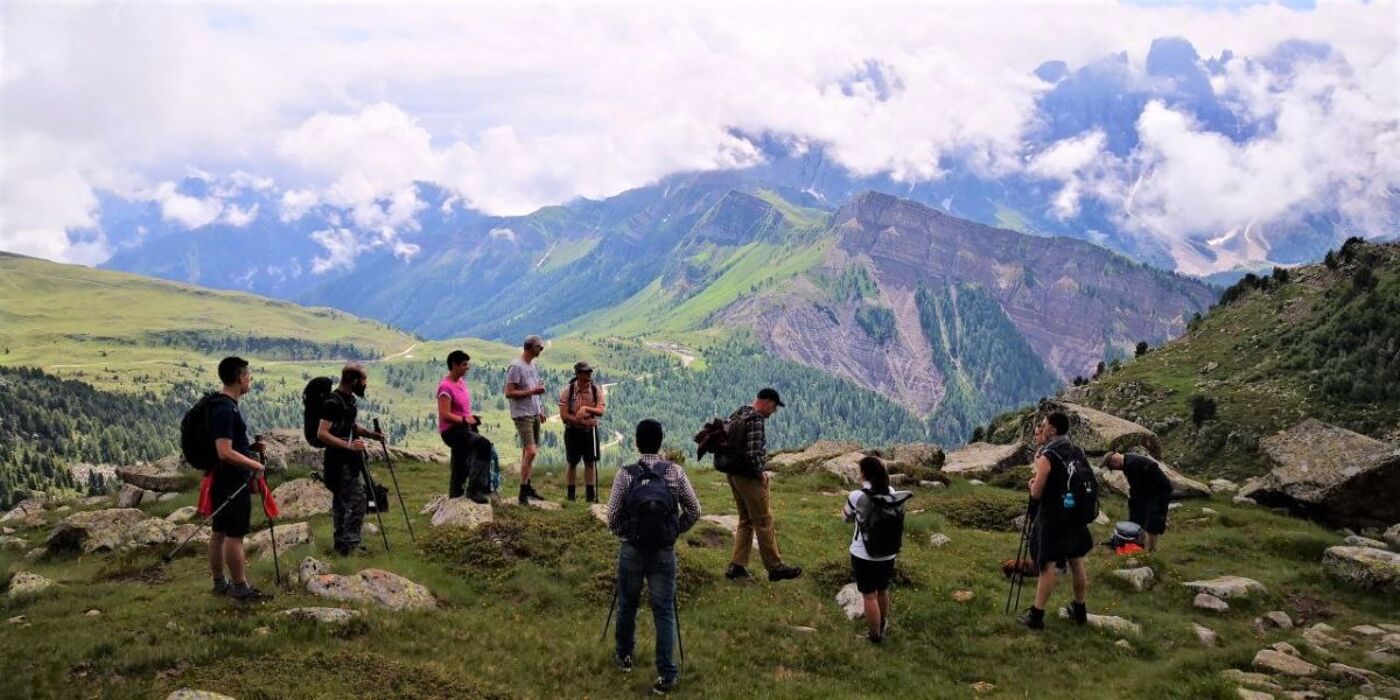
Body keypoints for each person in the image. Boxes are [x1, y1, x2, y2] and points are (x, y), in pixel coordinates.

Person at [605, 419, 702, 696]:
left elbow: (611, 516)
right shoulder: (674, 472)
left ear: (636, 442)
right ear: (661, 442)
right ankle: (667, 674)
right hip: (663, 552)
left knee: (627, 605)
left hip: (632, 551)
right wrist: (673, 532)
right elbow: (695, 510)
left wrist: (626, 534)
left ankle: (624, 656)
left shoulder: (626, 474)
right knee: (663, 611)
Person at [714, 388, 802, 582]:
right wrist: (760, 474)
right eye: (774, 407)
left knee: (745, 519)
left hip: (733, 474)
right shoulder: (756, 420)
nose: (774, 412)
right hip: (748, 477)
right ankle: (775, 568)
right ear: (768, 402)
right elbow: (754, 454)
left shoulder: (739, 412)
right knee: (763, 521)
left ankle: (737, 565)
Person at [205, 356, 272, 603]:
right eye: (248, 375)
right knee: (233, 535)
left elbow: (227, 445)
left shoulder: (221, 405)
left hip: (221, 477)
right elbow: (224, 451)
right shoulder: (226, 409)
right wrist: (255, 464)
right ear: (239, 378)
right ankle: (240, 588)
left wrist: (249, 448)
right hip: (232, 480)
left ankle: (219, 583)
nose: (250, 379)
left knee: (219, 531)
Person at [1020, 411, 1093, 631]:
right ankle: (1079, 610)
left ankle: (1036, 616)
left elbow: (1037, 493)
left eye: (1043, 425)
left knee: (1047, 565)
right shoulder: (1075, 450)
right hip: (1074, 515)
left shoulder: (1047, 456)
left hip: (1053, 518)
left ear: (1052, 429)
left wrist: (1033, 483)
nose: (1041, 428)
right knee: (1076, 560)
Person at [843, 456, 912, 644]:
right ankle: (882, 626)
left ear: (864, 473)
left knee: (869, 596)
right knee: (882, 590)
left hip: (863, 554)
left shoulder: (856, 496)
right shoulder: (890, 491)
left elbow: (846, 517)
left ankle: (874, 636)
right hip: (888, 553)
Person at [317, 363, 384, 556]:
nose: (365, 384)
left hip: (349, 460)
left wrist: (371, 435)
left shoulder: (348, 400)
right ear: (354, 381)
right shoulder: (333, 402)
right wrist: (348, 445)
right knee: (357, 501)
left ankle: (342, 545)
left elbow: (349, 425)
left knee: (341, 502)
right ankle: (351, 545)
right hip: (338, 462)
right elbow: (322, 433)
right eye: (363, 380)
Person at [438, 350, 490, 503]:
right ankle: (475, 489)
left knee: (460, 457)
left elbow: (461, 409)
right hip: (451, 431)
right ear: (454, 365)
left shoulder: (460, 382)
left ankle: (455, 492)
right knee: (483, 445)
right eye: (464, 365)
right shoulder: (445, 387)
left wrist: (471, 418)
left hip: (463, 427)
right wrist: (464, 420)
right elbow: (445, 414)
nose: (467, 367)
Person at [504, 335, 548, 505]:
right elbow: (509, 393)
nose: (541, 349)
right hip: (522, 414)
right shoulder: (516, 367)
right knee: (531, 451)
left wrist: (540, 409)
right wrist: (533, 393)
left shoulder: (532, 365)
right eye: (539, 347)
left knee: (528, 451)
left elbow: (534, 389)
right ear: (530, 347)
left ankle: (528, 486)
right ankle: (522, 491)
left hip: (533, 413)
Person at [1103, 451, 1172, 551]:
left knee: (1152, 521)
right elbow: (1137, 488)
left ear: (1114, 461)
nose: (1116, 470)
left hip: (1158, 492)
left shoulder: (1132, 464)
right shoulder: (1128, 462)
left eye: (1112, 467)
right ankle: (1139, 543)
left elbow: (1138, 486)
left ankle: (1151, 550)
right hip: (1149, 493)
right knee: (1138, 515)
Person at [559, 361, 607, 503]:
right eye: (586, 372)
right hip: (573, 431)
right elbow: (564, 415)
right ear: (578, 374)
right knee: (572, 463)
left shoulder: (595, 390)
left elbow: (600, 411)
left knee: (590, 463)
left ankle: (590, 497)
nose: (589, 374)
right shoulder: (567, 391)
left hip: (589, 431)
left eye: (590, 372)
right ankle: (571, 496)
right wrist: (582, 421)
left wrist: (586, 408)